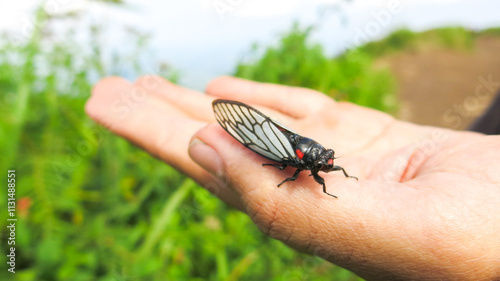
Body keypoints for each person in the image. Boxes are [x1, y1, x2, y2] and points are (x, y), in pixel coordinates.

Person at [85, 76, 500, 280]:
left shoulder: (321, 166)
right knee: (262, 148)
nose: (327, 167)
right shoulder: (304, 166)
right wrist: (283, 168)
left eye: (327, 164)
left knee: (279, 157)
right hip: (282, 147)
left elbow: (319, 169)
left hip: (294, 147)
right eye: (324, 164)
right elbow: (283, 161)